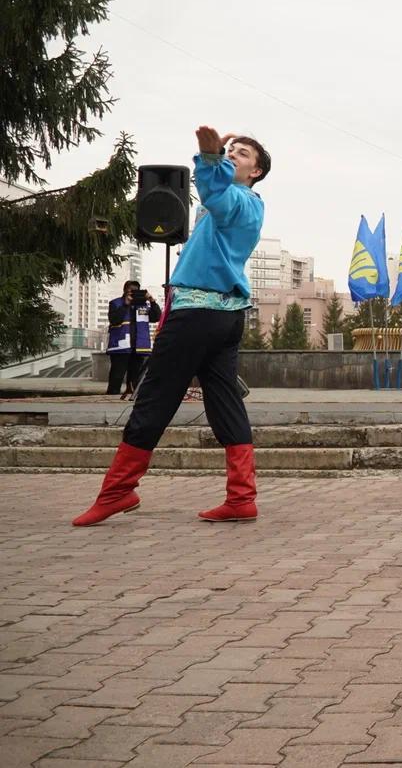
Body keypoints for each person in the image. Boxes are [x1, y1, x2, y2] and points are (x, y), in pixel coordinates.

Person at [72, 126, 269, 526]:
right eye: (231, 149)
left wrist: (210, 156)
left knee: (156, 396)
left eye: (243, 153)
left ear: (257, 171)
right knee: (224, 400)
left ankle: (118, 491)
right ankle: (241, 497)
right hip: (223, 316)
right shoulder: (236, 204)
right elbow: (211, 198)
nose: (234, 153)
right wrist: (214, 158)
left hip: (198, 313)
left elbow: (213, 192)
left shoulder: (239, 201)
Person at [105, 280, 161, 398]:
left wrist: (152, 300)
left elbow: (156, 317)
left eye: (136, 291)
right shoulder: (116, 303)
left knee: (136, 377)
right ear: (125, 290)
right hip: (120, 348)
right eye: (131, 291)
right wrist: (126, 304)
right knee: (117, 376)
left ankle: (133, 397)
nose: (133, 294)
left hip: (139, 347)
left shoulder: (143, 306)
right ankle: (111, 397)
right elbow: (114, 320)